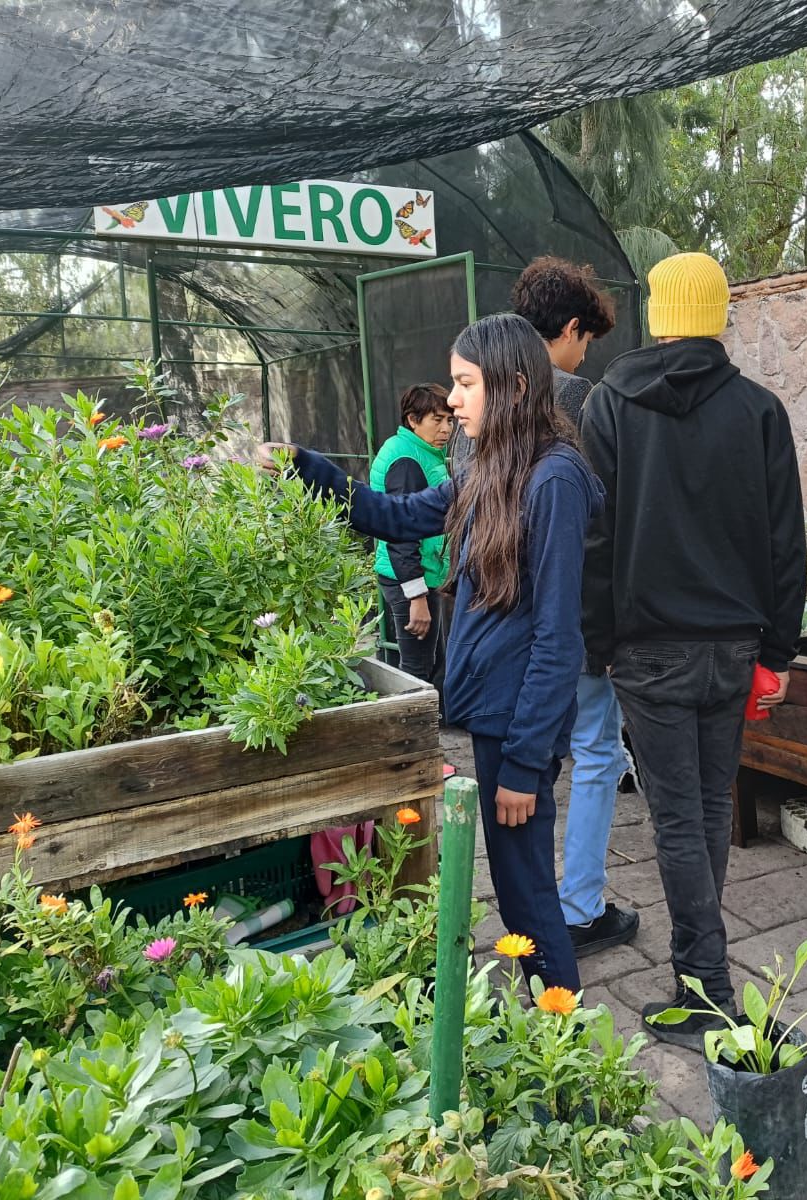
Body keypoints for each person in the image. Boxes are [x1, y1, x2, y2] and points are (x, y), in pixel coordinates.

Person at [257, 313, 603, 991]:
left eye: (465, 383)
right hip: (497, 721)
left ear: (513, 385)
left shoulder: (553, 481)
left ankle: (568, 1060)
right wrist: (306, 468)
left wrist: (527, 764)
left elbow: (559, 637)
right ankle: (551, 1037)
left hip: (519, 731)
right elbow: (393, 515)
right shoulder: (490, 470)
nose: (451, 400)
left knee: (530, 897)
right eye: (454, 384)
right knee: (517, 893)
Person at [581, 251, 807, 1046]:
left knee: (680, 818)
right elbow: (786, 544)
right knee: (707, 809)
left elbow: (595, 538)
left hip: (647, 651)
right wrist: (779, 651)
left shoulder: (610, 407)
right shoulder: (760, 411)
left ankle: (704, 987)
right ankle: (701, 973)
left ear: (656, 314)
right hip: (734, 648)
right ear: (719, 316)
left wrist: (596, 643)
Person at [509, 257, 639, 957]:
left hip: (505, 623)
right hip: (573, 621)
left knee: (527, 762)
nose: (586, 351)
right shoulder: (582, 404)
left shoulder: (484, 403)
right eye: (584, 336)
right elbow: (600, 529)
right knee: (595, 750)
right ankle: (579, 907)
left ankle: (527, 910)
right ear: (566, 329)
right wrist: (608, 635)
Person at [369, 383, 454, 687]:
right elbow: (400, 532)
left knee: (429, 661)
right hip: (408, 578)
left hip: (421, 573)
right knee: (415, 669)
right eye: (437, 420)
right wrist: (416, 597)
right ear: (412, 420)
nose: (446, 429)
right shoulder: (406, 460)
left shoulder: (422, 452)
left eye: (450, 420)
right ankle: (411, 733)